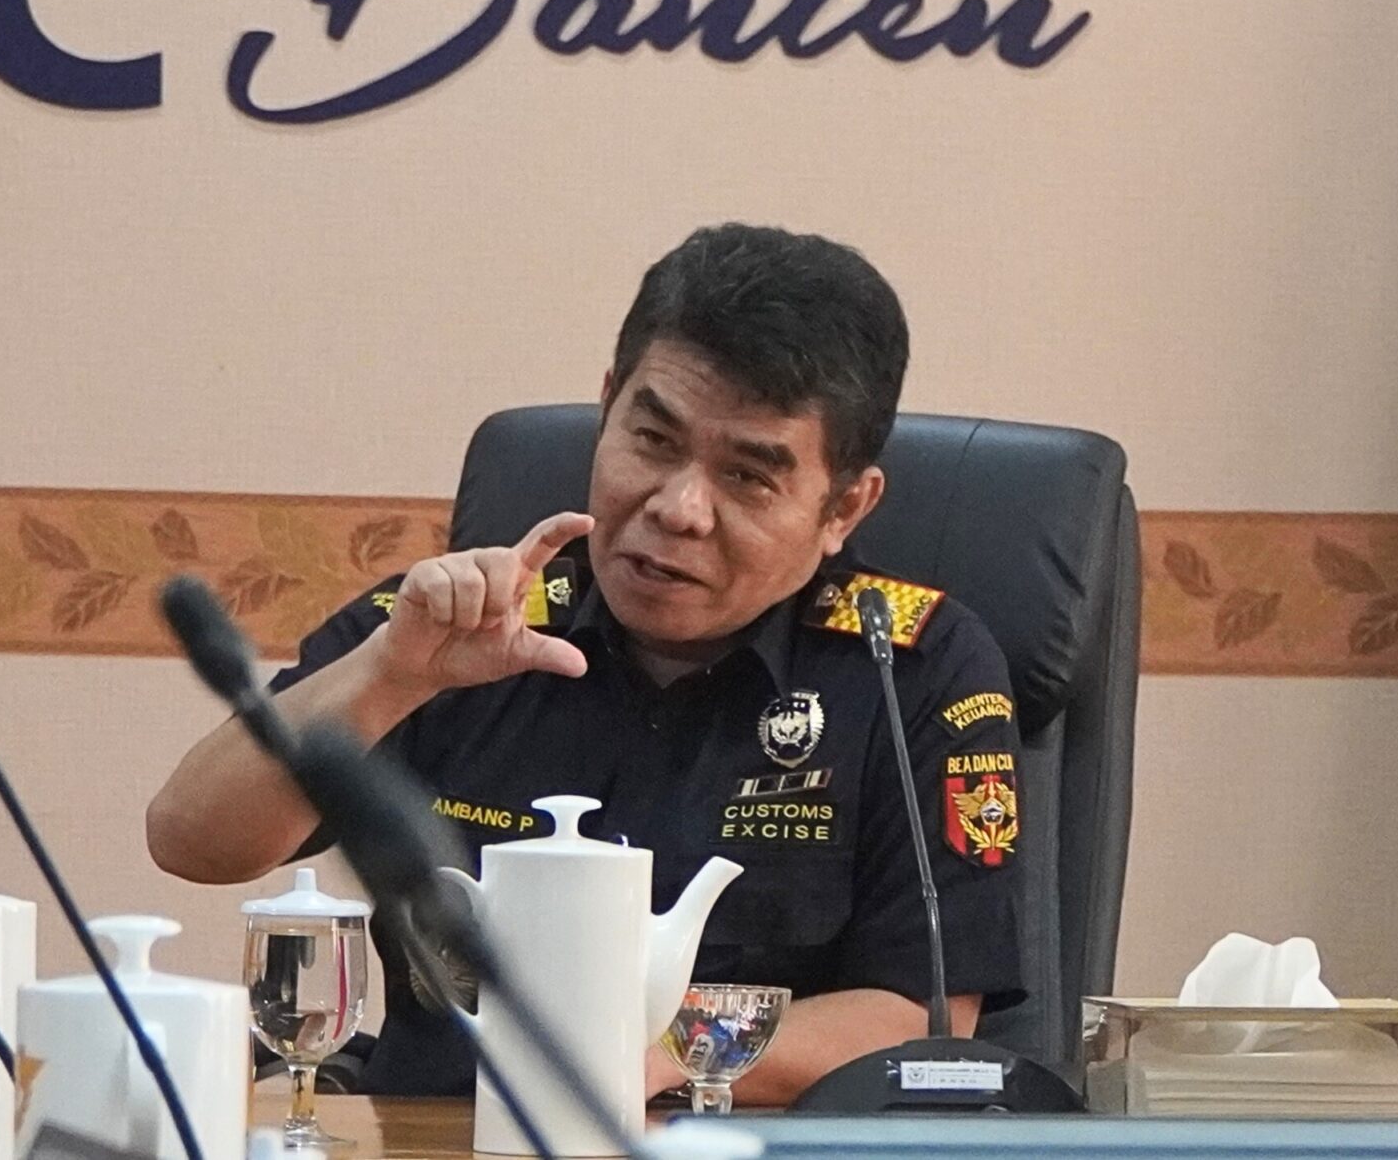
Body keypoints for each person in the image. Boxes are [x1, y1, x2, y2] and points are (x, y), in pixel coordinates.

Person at [148, 223, 1025, 1103]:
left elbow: (920, 1018)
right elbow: (190, 838)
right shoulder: (461, 624)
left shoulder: (908, 668)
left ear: (844, 507)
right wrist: (390, 675)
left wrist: (654, 1053)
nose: (679, 508)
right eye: (654, 440)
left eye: (748, 478)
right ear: (607, 407)